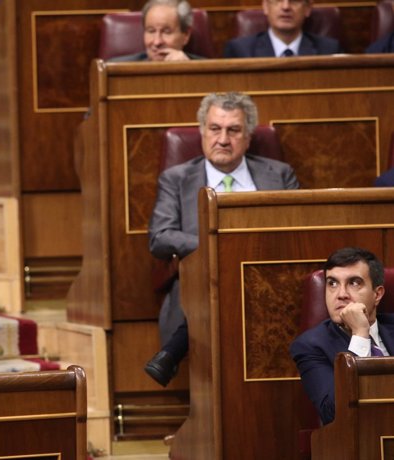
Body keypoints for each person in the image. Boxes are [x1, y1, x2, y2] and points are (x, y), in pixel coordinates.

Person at [145, 92, 299, 387]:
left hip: (269, 281)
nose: (223, 140)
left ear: (249, 136)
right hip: (203, 281)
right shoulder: (176, 179)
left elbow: (296, 232)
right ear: (202, 131)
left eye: (234, 130)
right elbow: (160, 237)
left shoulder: (279, 176)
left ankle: (173, 352)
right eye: (215, 129)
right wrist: (223, 246)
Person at [290, 247, 394, 425]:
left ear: (377, 295)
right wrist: (360, 335)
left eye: (354, 283)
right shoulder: (310, 346)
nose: (341, 294)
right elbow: (333, 413)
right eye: (332, 283)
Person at [223, 0, 341, 58]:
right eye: (278, 0)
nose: (286, 7)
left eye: (294, 0)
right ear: (265, 6)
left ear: (307, 8)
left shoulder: (329, 50)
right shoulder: (240, 50)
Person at [111, 0, 202, 62]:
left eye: (167, 32)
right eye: (151, 31)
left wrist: (188, 71)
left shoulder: (208, 72)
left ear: (186, 35)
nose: (157, 42)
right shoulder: (114, 71)